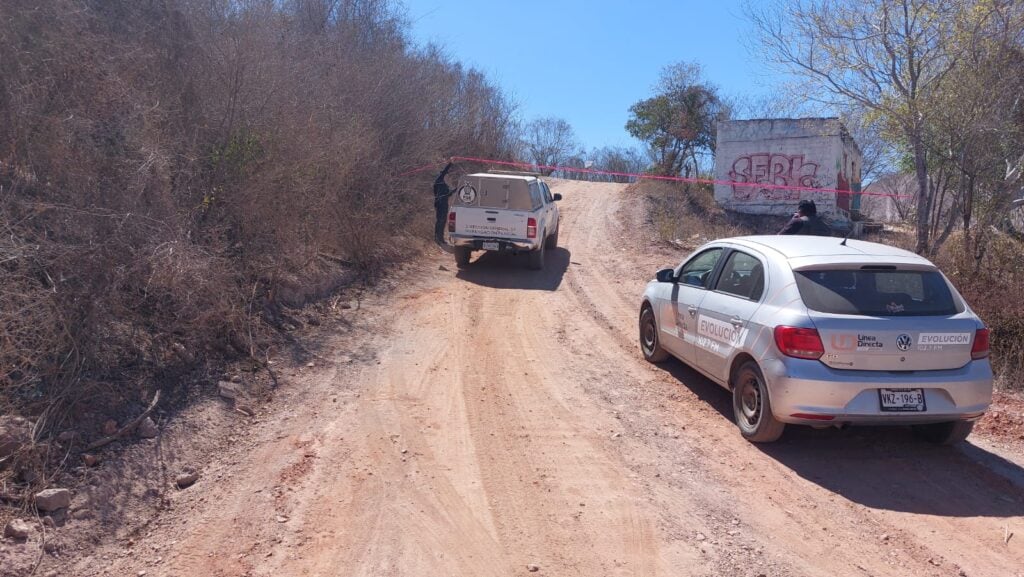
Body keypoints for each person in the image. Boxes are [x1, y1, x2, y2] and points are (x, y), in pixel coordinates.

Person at [433, 161, 455, 244]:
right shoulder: (438, 181)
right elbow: (445, 171)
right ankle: (437, 238)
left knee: (443, 221)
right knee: (439, 220)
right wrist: (450, 163)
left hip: (445, 204)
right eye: (445, 174)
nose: (446, 175)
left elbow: (448, 194)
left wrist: (457, 188)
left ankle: (440, 238)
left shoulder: (445, 185)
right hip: (439, 204)